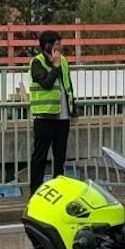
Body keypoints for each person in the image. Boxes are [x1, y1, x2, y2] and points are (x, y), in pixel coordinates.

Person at [28, 30, 76, 194]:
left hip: (63, 117)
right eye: (57, 45)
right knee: (40, 156)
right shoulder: (37, 62)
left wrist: (73, 110)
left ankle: (58, 190)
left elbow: (68, 86)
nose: (60, 48)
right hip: (44, 117)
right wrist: (54, 66)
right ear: (47, 46)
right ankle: (35, 191)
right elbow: (47, 83)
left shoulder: (63, 61)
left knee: (60, 156)